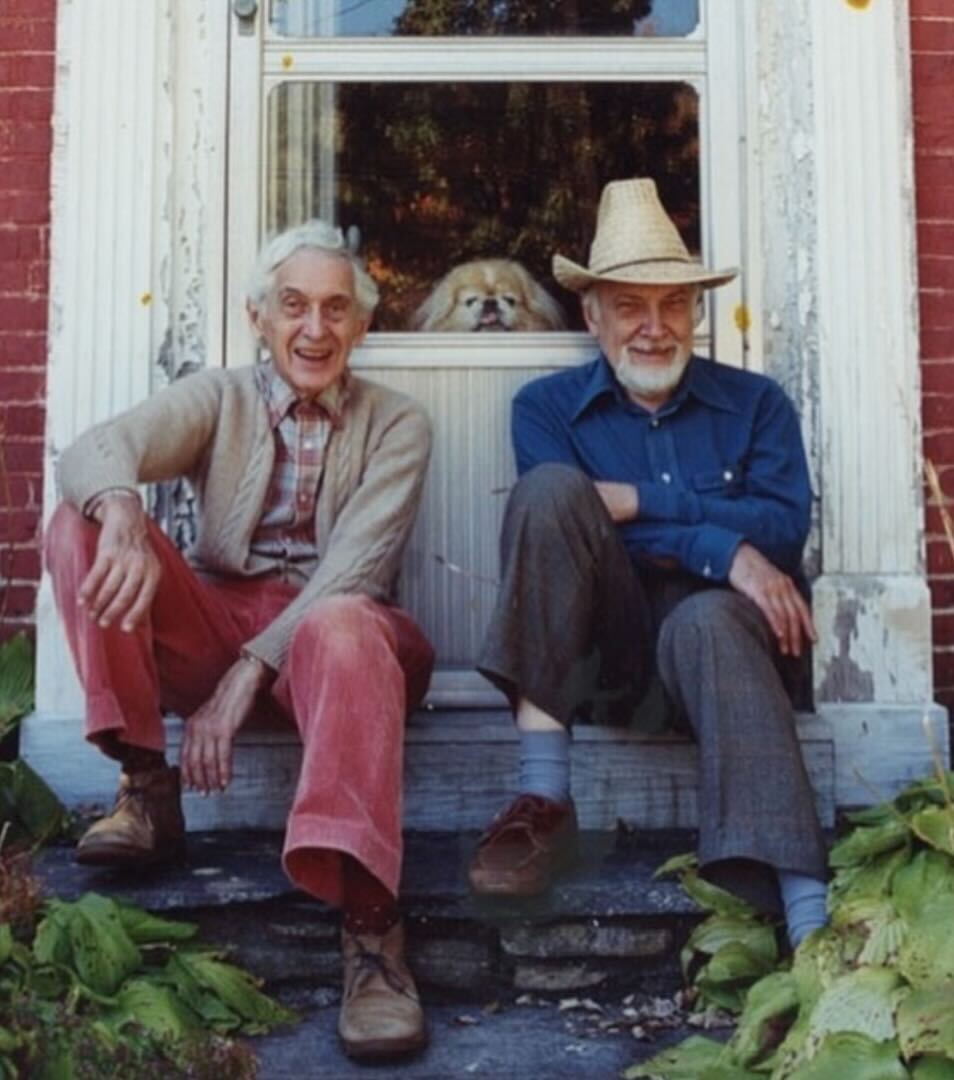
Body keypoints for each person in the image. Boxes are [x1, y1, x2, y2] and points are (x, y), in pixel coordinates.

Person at [44, 220, 435, 1060]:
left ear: (361, 327)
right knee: (77, 526)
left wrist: (246, 676)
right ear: (259, 316)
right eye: (294, 306)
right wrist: (118, 511)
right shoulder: (219, 397)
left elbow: (354, 570)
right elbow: (94, 448)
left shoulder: (399, 422)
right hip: (222, 625)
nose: (315, 329)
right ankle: (147, 786)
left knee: (339, 623)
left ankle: (372, 933)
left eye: (337, 310)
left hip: (342, 638)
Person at [469, 179, 829, 948]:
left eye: (673, 305)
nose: (654, 329)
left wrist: (642, 502)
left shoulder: (757, 404)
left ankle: (806, 919)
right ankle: (543, 804)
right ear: (592, 314)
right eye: (630, 306)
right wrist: (719, 546)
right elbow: (561, 532)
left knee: (706, 618)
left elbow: (784, 526)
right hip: (605, 660)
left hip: (725, 663)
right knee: (550, 492)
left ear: (696, 313)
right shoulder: (545, 408)